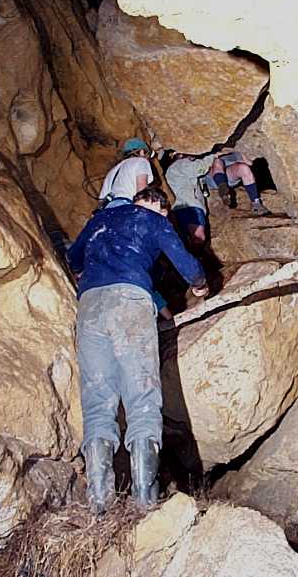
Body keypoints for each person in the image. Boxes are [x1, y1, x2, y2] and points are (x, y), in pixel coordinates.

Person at [67, 187, 207, 513]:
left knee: (97, 403)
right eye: (165, 212)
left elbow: (74, 258)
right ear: (157, 204)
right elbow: (187, 264)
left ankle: (99, 504)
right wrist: (200, 284)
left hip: (90, 307)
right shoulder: (152, 219)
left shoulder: (100, 220)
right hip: (130, 301)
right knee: (143, 400)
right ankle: (144, 503)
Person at [165, 151, 216, 250]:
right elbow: (200, 168)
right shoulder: (181, 163)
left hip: (180, 210)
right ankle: (198, 257)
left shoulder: (171, 170)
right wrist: (213, 156)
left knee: (188, 240)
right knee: (198, 238)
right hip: (191, 209)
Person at [204, 149, 270, 216]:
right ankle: (223, 190)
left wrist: (237, 151)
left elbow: (250, 163)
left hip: (228, 176)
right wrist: (217, 154)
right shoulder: (212, 150)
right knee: (217, 162)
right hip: (213, 177)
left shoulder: (234, 152)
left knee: (244, 168)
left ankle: (256, 203)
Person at [99, 137, 154, 209]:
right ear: (142, 152)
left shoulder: (112, 171)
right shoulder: (141, 161)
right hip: (126, 206)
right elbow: (141, 190)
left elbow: (101, 201)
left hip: (108, 209)